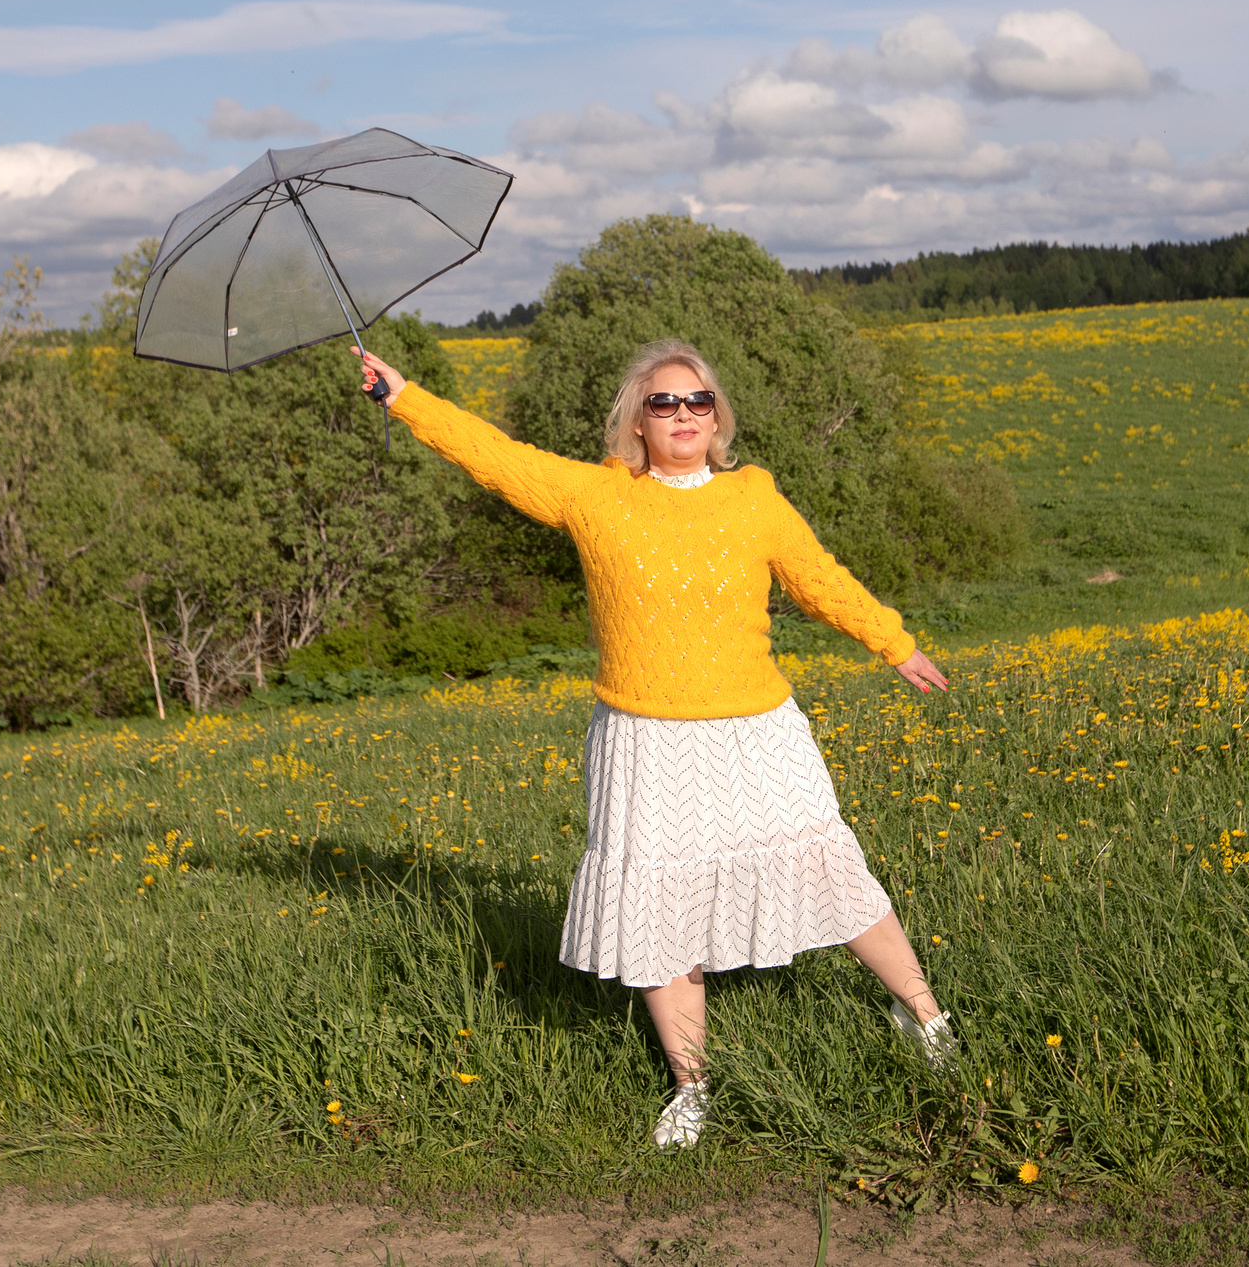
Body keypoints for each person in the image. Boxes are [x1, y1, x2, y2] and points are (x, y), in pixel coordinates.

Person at [354, 336, 956, 1149]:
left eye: (697, 401)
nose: (682, 413)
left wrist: (894, 642)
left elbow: (818, 578)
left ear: (717, 418)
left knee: (828, 870)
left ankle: (926, 1016)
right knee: (662, 910)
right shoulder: (593, 495)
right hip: (643, 739)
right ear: (636, 421)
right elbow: (493, 457)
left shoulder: (754, 497)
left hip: (756, 730)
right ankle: (692, 1086)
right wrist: (405, 396)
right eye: (663, 402)